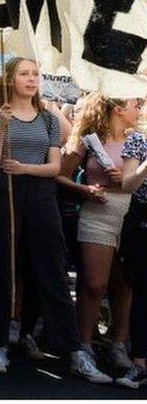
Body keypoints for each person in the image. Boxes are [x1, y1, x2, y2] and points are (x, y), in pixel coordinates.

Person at [0, 57, 109, 383]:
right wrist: (1, 129)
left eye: (35, 73)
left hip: (40, 194)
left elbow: (54, 167)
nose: (32, 78)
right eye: (24, 73)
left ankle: (75, 352)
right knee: (3, 269)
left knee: (52, 270)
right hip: (4, 192)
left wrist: (24, 168)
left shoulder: (50, 118)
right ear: (10, 78)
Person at [57, 93, 139, 370]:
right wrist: (84, 190)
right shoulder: (88, 138)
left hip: (130, 215)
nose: (139, 108)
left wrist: (128, 180)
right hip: (97, 213)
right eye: (134, 104)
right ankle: (84, 344)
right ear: (117, 109)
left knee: (125, 284)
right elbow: (60, 174)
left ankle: (118, 344)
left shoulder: (138, 139)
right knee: (94, 283)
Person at [118, 126, 147, 389]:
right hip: (142, 224)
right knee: (143, 296)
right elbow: (127, 184)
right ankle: (140, 364)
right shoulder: (138, 139)